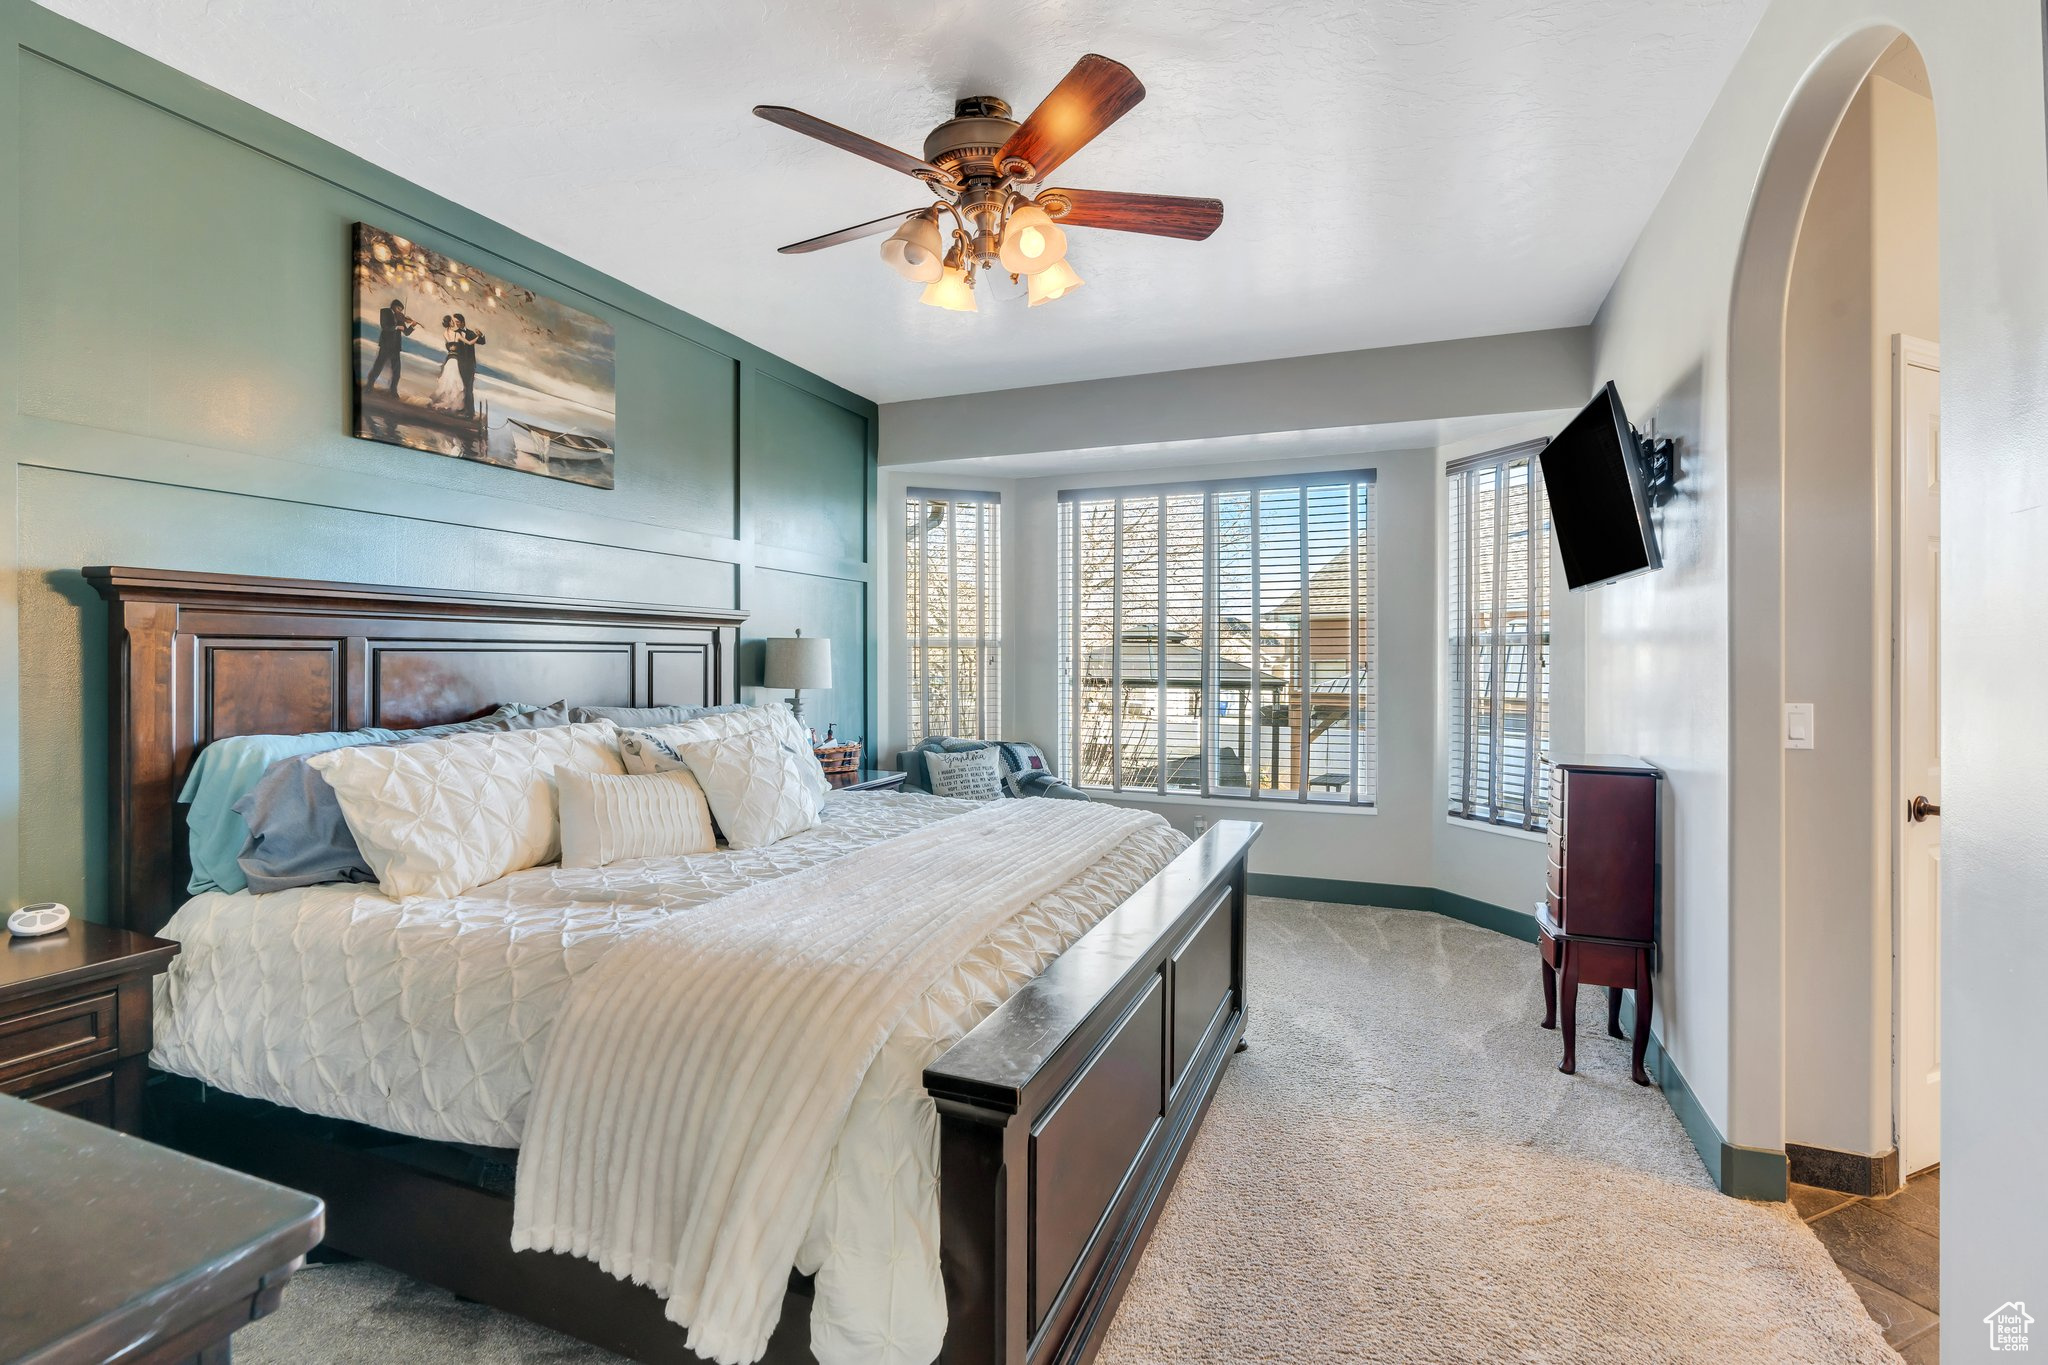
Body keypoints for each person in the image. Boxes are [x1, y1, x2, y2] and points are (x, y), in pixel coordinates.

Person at [363, 297, 415, 394]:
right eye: (399, 309)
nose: (400, 312)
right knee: (378, 367)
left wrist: (412, 326)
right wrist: (396, 327)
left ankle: (393, 391)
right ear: (394, 306)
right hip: (385, 346)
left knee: (397, 371)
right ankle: (369, 386)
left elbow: (406, 332)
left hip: (395, 348)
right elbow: (385, 326)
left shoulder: (399, 317)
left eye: (401, 310)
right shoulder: (385, 312)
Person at [448, 313, 487, 416]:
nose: (456, 324)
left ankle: (470, 412)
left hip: (470, 364)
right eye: (454, 322)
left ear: (463, 322)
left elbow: (482, 341)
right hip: (460, 363)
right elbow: (450, 345)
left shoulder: (470, 333)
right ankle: (465, 408)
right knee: (464, 387)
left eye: (457, 322)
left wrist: (481, 334)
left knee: (469, 388)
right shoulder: (455, 333)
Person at [427, 316, 467, 414]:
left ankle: (449, 404)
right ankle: (450, 404)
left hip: (452, 359)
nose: (454, 323)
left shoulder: (449, 333)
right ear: (449, 323)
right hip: (453, 359)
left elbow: (450, 346)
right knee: (453, 380)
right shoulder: (453, 334)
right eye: (452, 321)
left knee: (452, 380)